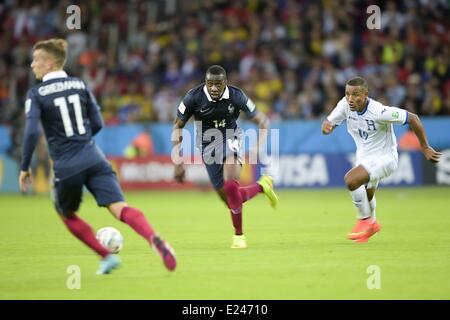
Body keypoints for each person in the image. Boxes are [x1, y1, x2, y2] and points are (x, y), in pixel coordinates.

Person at [19, 39, 176, 274]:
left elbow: (31, 130)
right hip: (94, 156)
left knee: (66, 213)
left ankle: (106, 257)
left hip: (66, 164)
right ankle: (153, 237)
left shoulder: (36, 93)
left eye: (37, 60)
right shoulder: (80, 85)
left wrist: (25, 166)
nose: (32, 65)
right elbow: (98, 123)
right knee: (119, 207)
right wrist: (82, 142)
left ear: (50, 63)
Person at [322, 76, 441, 243]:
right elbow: (328, 122)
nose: (350, 98)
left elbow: (413, 118)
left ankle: (364, 221)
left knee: (351, 180)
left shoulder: (379, 111)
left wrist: (425, 147)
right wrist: (327, 127)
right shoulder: (344, 105)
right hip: (364, 158)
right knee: (368, 193)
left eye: (355, 94)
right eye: (347, 94)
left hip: (385, 158)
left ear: (365, 94)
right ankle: (373, 224)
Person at [171, 65, 278, 249]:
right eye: (210, 84)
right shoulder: (193, 97)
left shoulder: (236, 95)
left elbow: (263, 121)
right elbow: (177, 126)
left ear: (225, 83)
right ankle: (262, 186)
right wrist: (178, 161)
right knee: (230, 199)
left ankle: (239, 236)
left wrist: (257, 147)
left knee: (230, 184)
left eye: (218, 84)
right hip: (207, 147)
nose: (213, 88)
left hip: (231, 138)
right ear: (205, 83)